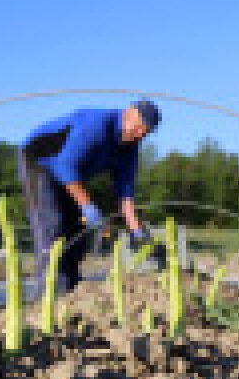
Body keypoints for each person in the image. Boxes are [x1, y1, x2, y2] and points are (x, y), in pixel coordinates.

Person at [17, 100, 160, 293]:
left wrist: (136, 231)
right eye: (139, 128)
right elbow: (65, 166)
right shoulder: (97, 124)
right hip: (39, 162)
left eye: (145, 133)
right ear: (129, 113)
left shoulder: (130, 149)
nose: (139, 135)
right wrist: (88, 206)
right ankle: (49, 295)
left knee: (77, 229)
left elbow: (125, 191)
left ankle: (70, 290)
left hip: (70, 174)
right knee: (52, 225)